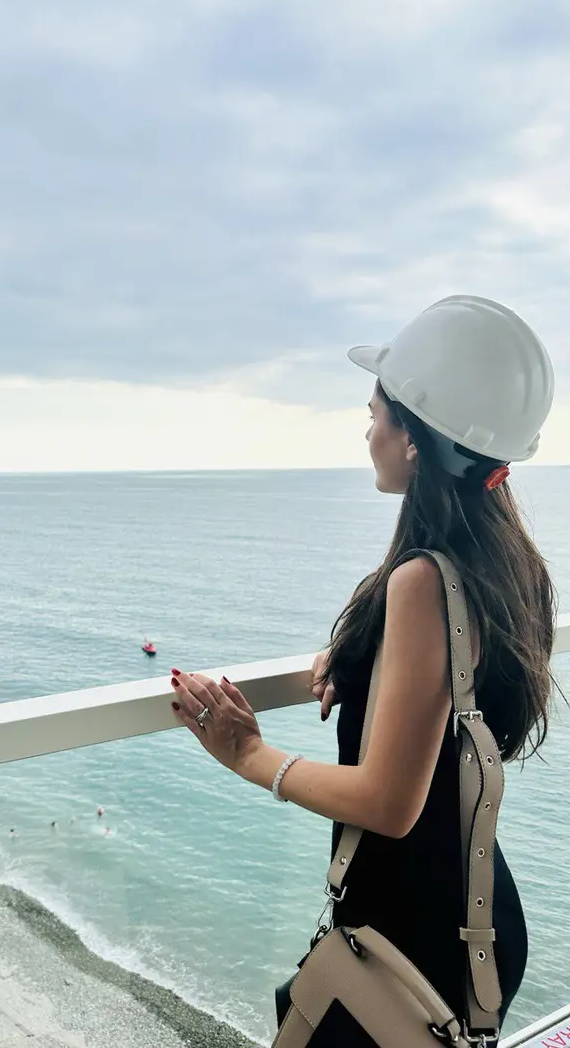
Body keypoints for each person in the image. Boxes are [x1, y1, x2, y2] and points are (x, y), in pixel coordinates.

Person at [170, 295, 558, 1043]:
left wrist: (249, 754)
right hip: (477, 919)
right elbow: (458, 693)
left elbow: (388, 802)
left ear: (413, 437)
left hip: (408, 939)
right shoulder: (511, 566)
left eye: (376, 412)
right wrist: (370, 659)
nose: (368, 429)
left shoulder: (422, 582)